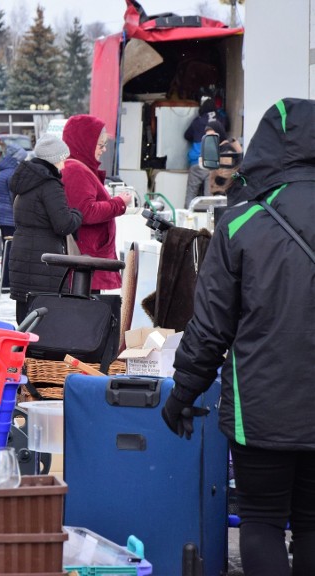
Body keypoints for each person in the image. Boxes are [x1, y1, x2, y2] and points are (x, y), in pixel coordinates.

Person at [161, 97, 315, 576]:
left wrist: (182, 393)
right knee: (312, 522)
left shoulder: (243, 223)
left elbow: (210, 327)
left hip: (262, 406)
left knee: (263, 521)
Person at [8, 135, 83, 325]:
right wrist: (77, 214)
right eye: (63, 160)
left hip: (22, 256)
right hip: (44, 262)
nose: (64, 165)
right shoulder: (49, 185)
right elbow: (63, 224)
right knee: (46, 325)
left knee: (25, 322)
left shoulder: (24, 182)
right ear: (54, 159)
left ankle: (23, 355)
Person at [61, 114, 132, 291]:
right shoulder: (75, 169)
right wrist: (119, 203)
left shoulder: (79, 168)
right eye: (100, 145)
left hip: (89, 259)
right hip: (86, 260)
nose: (103, 150)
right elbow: (86, 211)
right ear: (85, 143)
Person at [0, 144, 25, 292]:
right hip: (9, 216)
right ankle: (7, 282)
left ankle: (4, 281)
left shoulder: (2, 172)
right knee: (10, 250)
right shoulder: (12, 173)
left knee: (6, 248)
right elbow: (14, 198)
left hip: (0, 214)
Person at [183, 97, 218, 207]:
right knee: (209, 197)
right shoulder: (219, 120)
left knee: (191, 194)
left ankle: (188, 216)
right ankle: (209, 221)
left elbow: (186, 135)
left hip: (196, 162)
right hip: (211, 163)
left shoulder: (197, 121)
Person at [204, 120, 243, 197]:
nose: (210, 139)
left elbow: (225, 177)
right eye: (208, 137)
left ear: (219, 133)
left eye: (213, 136)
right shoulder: (219, 149)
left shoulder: (227, 151)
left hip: (223, 195)